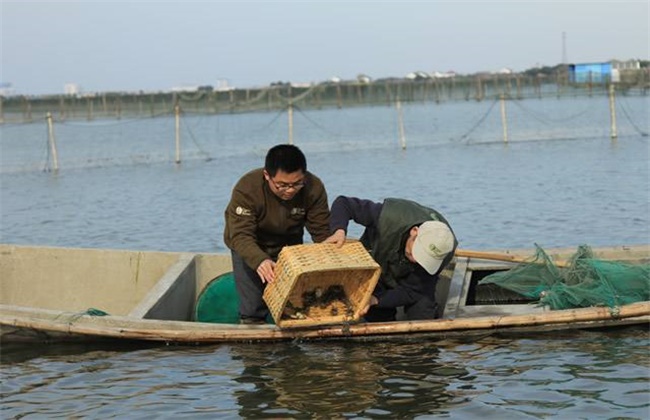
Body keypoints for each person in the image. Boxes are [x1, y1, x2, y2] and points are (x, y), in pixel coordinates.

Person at [224, 144, 330, 324]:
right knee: (252, 310)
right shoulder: (247, 188)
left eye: (296, 184)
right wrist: (260, 260)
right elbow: (241, 235)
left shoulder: (314, 187)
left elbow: (322, 233)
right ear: (267, 176)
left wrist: (330, 256)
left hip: (289, 247)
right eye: (281, 185)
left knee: (293, 309)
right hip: (250, 246)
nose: (289, 190)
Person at [325, 196, 457, 322]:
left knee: (422, 310)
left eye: (424, 258)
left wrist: (377, 299)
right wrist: (339, 230)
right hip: (377, 262)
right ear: (414, 231)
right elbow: (344, 203)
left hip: (411, 280)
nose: (416, 260)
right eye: (417, 252)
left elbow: (412, 291)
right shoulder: (388, 217)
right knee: (376, 314)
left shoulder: (443, 253)